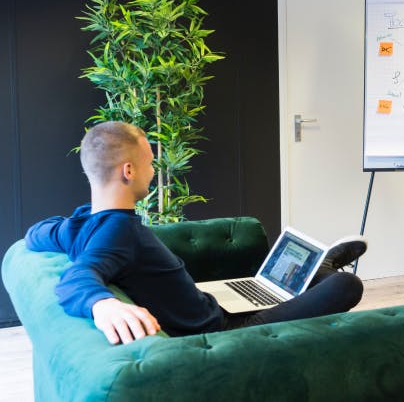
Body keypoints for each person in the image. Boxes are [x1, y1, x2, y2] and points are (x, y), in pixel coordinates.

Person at [25, 121, 366, 345]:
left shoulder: (83, 222)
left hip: (214, 307)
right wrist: (102, 305)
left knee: (270, 285)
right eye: (149, 163)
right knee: (348, 285)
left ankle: (317, 267)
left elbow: (34, 234)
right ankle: (322, 268)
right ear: (128, 171)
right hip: (226, 333)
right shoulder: (117, 232)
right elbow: (76, 277)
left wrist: (66, 227)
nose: (153, 170)